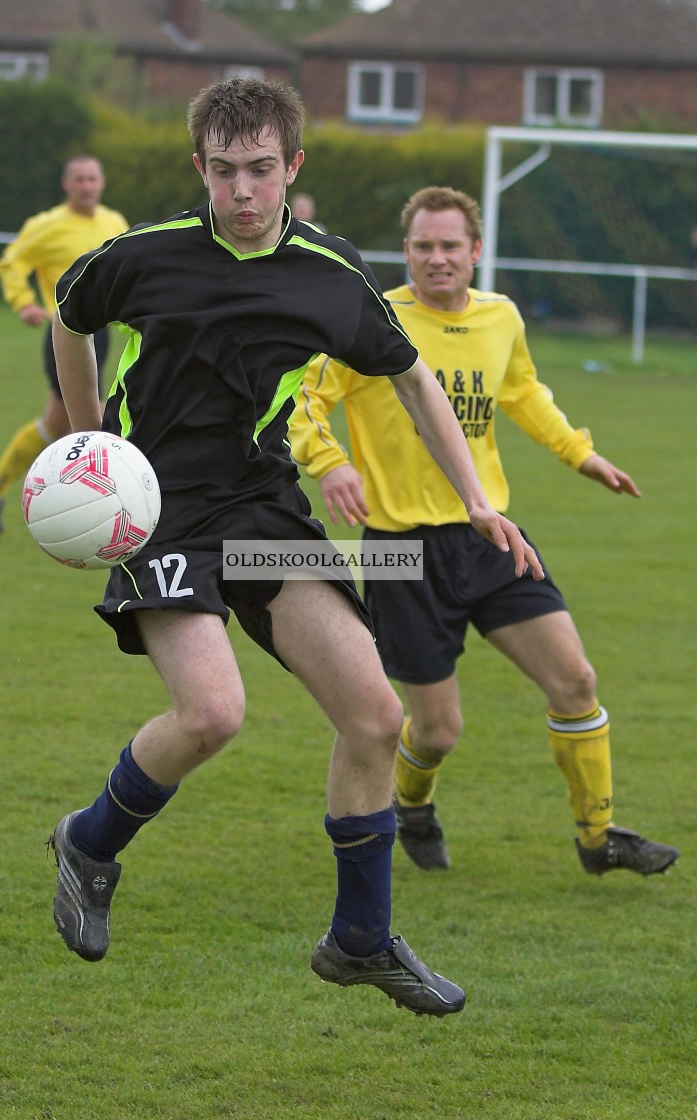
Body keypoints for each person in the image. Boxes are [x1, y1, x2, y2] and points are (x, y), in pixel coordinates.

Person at [48, 80, 544, 1018]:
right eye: (225, 172)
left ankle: (360, 938)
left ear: (293, 168)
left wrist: (476, 500)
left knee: (375, 717)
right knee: (213, 714)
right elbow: (73, 320)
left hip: (263, 510)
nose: (243, 191)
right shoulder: (144, 258)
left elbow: (411, 382)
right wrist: (91, 451)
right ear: (200, 169)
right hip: (158, 511)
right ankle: (88, 841)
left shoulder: (332, 271)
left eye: (262, 170)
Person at [290, 185, 680, 879]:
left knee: (576, 681)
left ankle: (598, 839)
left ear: (474, 251)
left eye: (449, 246)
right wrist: (332, 464)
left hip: (490, 535)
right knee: (437, 731)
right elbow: (301, 402)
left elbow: (524, 392)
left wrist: (578, 453)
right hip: (402, 550)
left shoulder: (500, 318)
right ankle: (412, 806)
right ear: (405, 252)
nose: (436, 258)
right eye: (422, 246)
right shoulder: (371, 319)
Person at [0, 155, 128, 532]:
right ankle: (102, 509)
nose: (87, 186)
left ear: (102, 183)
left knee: (59, 424)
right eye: (79, 179)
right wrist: (22, 303)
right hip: (65, 334)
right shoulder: (46, 226)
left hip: (104, 336)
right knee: (102, 420)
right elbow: (10, 263)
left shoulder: (115, 222)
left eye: (93, 179)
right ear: (66, 185)